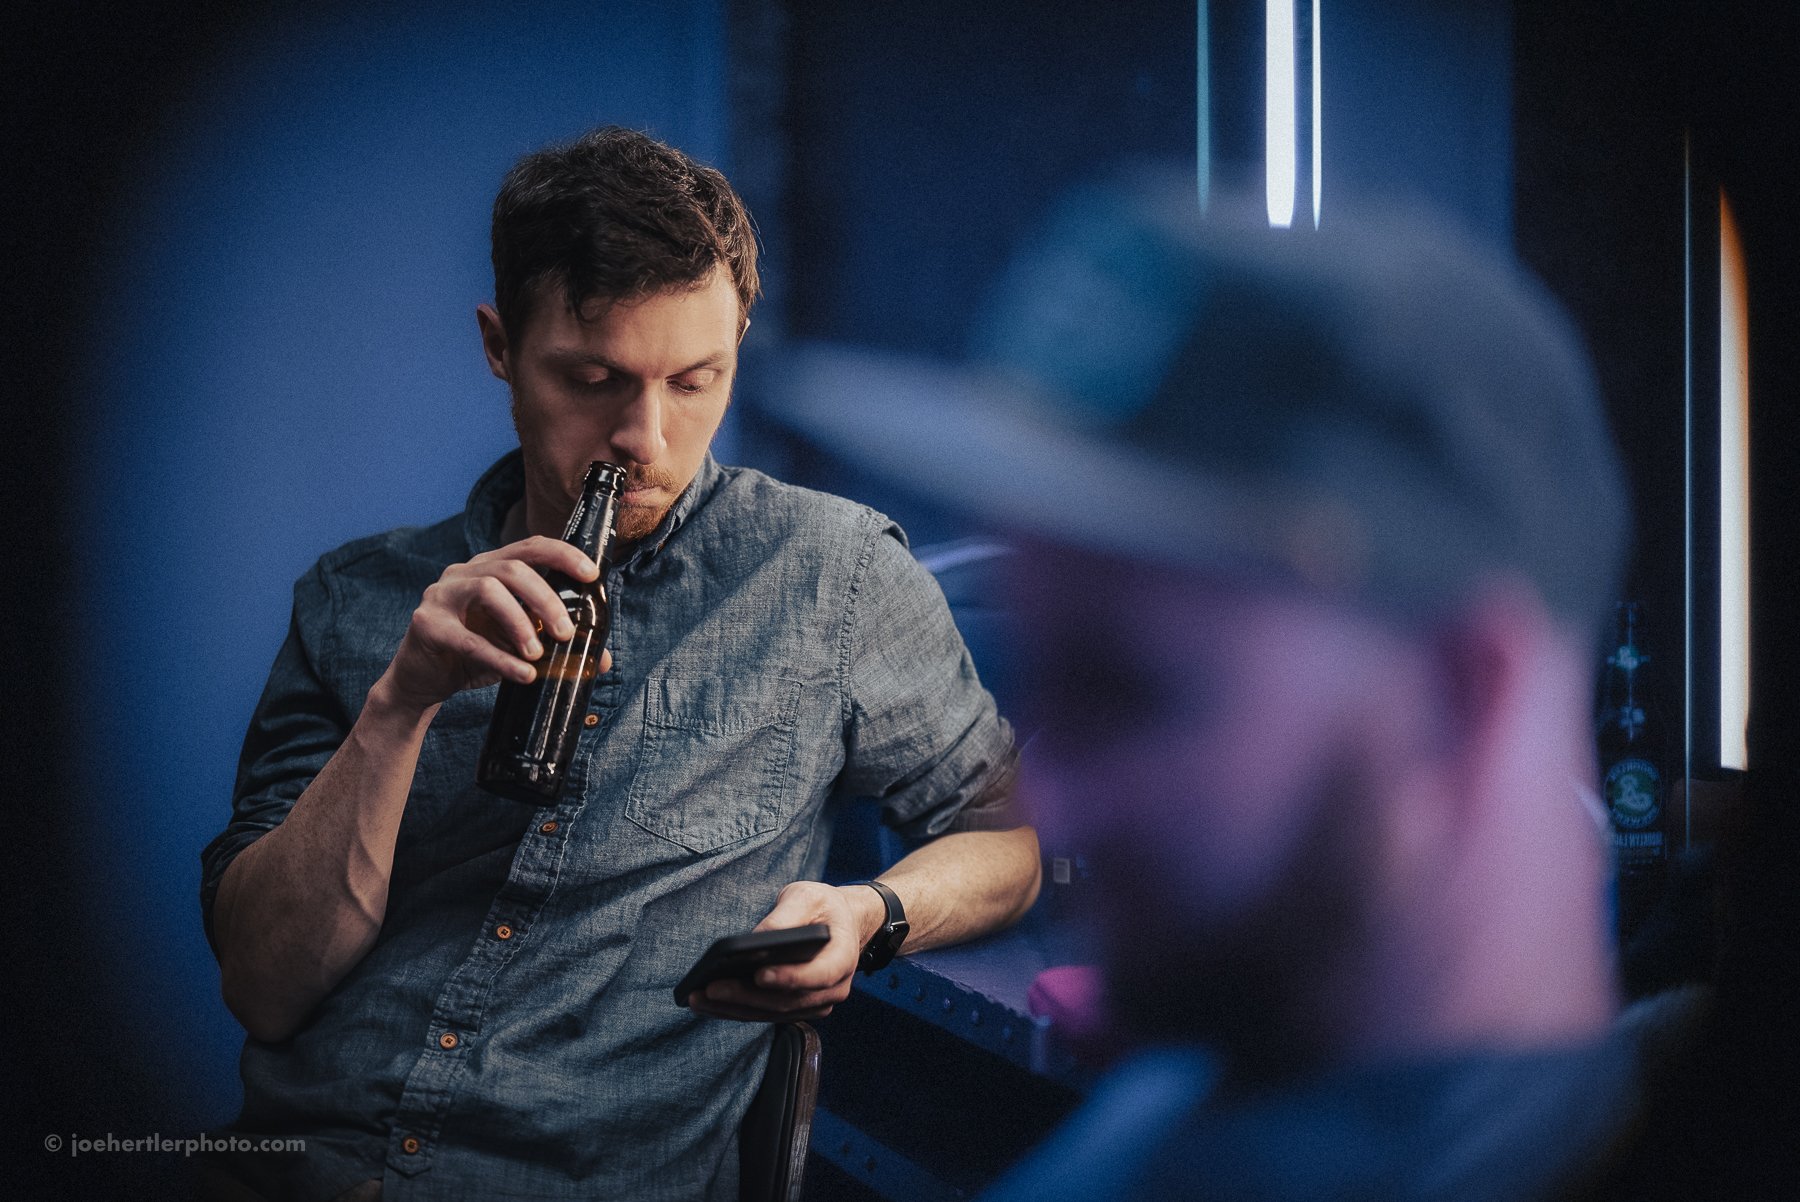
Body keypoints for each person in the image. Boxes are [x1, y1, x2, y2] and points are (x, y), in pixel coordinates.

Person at [197, 125, 1040, 1202]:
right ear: (500, 346)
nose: (644, 437)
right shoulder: (357, 595)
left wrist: (869, 912)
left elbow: (1007, 832)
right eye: (593, 378)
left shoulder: (833, 574)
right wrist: (399, 705)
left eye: (698, 379)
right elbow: (263, 989)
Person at [777, 171, 1647, 1201]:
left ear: (1459, 697)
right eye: (1048, 684)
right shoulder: (1217, 1093)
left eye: (1134, 693)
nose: (1044, 803)